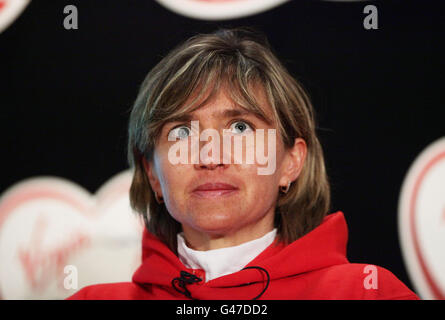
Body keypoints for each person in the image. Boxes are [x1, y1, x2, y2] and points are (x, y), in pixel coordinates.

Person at [68, 28, 419, 300]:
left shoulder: (365, 293)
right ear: (153, 175)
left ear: (291, 162)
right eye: (181, 132)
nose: (210, 156)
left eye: (240, 127)